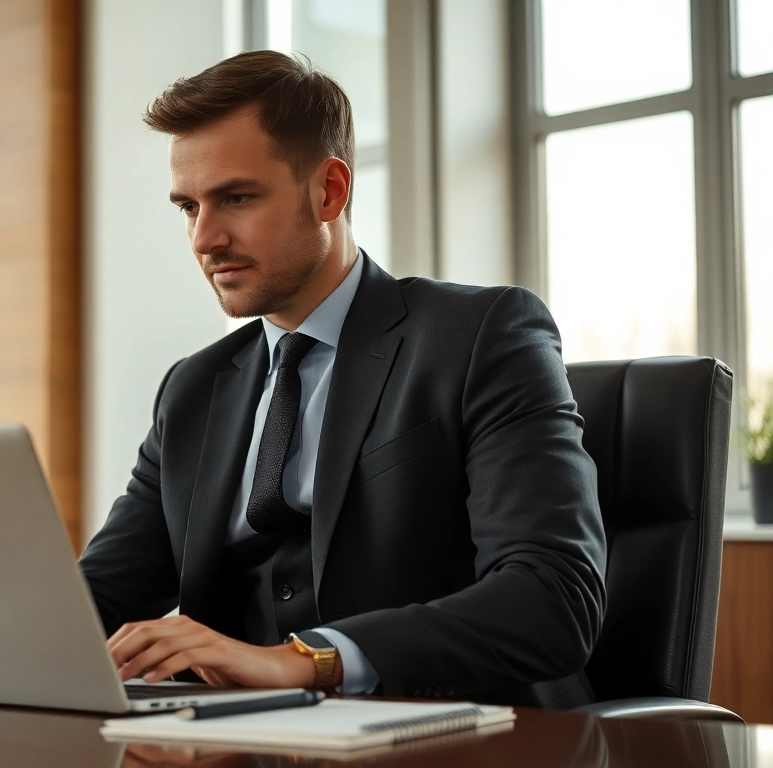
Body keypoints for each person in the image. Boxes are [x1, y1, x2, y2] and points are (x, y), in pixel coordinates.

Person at [78, 50, 606, 707]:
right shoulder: (193, 389)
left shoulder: (481, 335)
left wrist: (305, 662)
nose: (204, 238)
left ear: (329, 190)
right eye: (188, 207)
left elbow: (552, 597)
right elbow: (94, 600)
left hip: (460, 737)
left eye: (235, 198)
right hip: (246, 743)